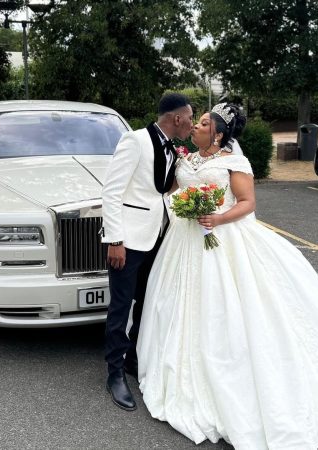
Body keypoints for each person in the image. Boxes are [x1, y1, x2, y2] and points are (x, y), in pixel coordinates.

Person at [137, 103, 318, 449]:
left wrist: (217, 219)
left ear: (219, 133)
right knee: (178, 305)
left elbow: (246, 202)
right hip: (183, 244)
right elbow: (168, 192)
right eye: (198, 121)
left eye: (205, 122)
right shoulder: (184, 159)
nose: (196, 125)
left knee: (236, 308)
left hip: (223, 238)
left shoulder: (234, 162)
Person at [101, 93, 194, 411]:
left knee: (147, 302)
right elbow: (111, 191)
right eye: (191, 118)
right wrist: (115, 240)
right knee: (120, 307)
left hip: (157, 237)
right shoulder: (135, 140)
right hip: (128, 241)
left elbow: (160, 190)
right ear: (177, 118)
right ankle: (114, 374)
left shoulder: (174, 149)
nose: (192, 125)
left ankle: (132, 360)